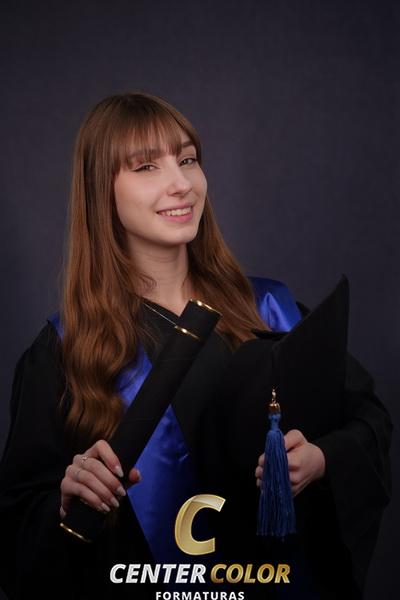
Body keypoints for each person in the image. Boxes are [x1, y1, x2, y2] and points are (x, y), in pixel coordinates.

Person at [0, 92, 392, 600]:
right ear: (101, 191)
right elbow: (18, 526)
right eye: (146, 166)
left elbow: (368, 421)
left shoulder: (271, 309)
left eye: (187, 160)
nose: (181, 183)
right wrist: (65, 502)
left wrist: (319, 459)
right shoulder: (64, 352)